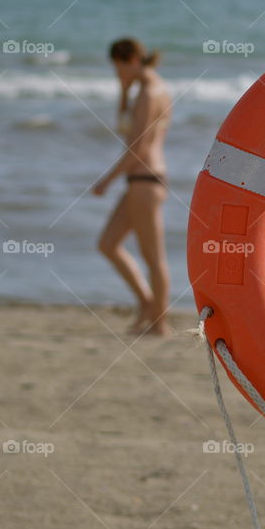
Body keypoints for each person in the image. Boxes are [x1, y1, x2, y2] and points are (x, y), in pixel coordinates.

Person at [93, 38, 172, 336]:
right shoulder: (155, 88)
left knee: (153, 257)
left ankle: (159, 322)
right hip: (142, 181)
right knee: (108, 243)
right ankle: (148, 305)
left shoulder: (148, 94)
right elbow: (126, 126)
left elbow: (138, 148)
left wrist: (107, 180)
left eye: (119, 68)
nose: (117, 74)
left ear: (133, 61)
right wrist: (124, 89)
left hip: (145, 180)